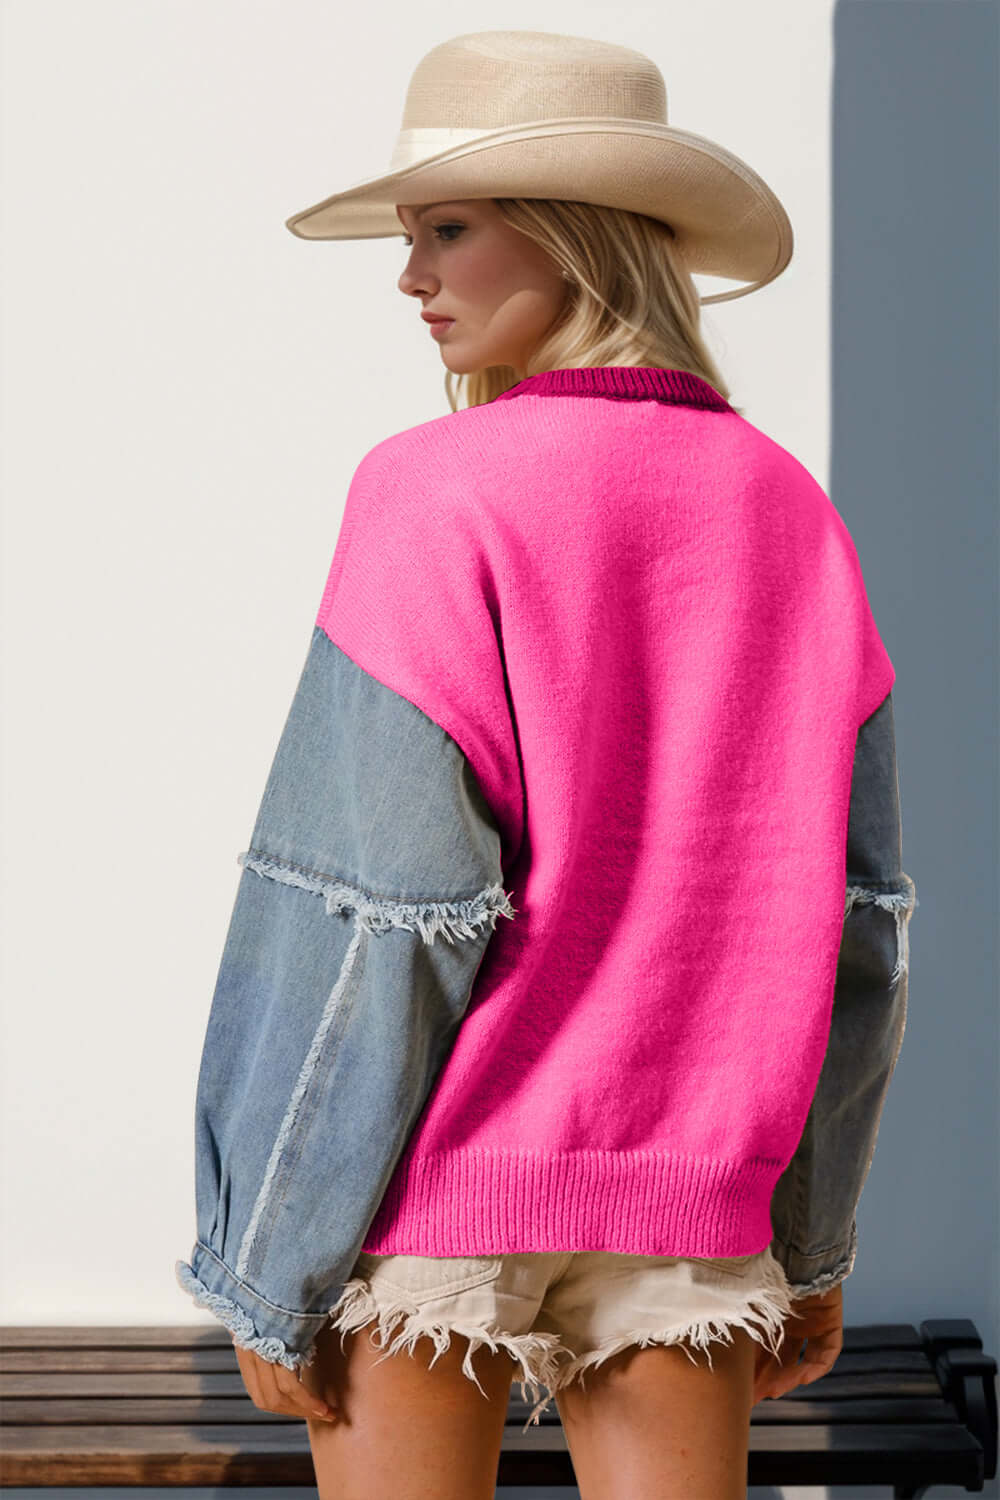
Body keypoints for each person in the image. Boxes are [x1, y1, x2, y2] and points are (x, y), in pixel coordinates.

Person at [175, 30, 917, 1500]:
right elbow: (859, 917)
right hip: (688, 1192)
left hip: (434, 1189)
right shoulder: (786, 506)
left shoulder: (432, 491)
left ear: (577, 231)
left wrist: (269, 1247)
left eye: (445, 228)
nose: (411, 280)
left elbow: (374, 908)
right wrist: (813, 1235)